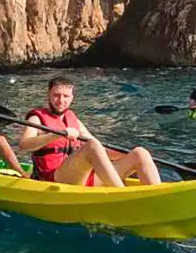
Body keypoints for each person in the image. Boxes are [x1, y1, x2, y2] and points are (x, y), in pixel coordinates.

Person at [18, 76, 162, 187]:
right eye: (56, 95)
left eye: (66, 96)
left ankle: (158, 196)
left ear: (72, 98)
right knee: (91, 145)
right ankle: (121, 194)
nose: (61, 100)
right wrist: (55, 134)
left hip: (82, 176)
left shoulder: (74, 121)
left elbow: (100, 151)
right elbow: (24, 145)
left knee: (140, 153)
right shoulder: (36, 119)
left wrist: (123, 154)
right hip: (55, 177)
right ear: (49, 94)